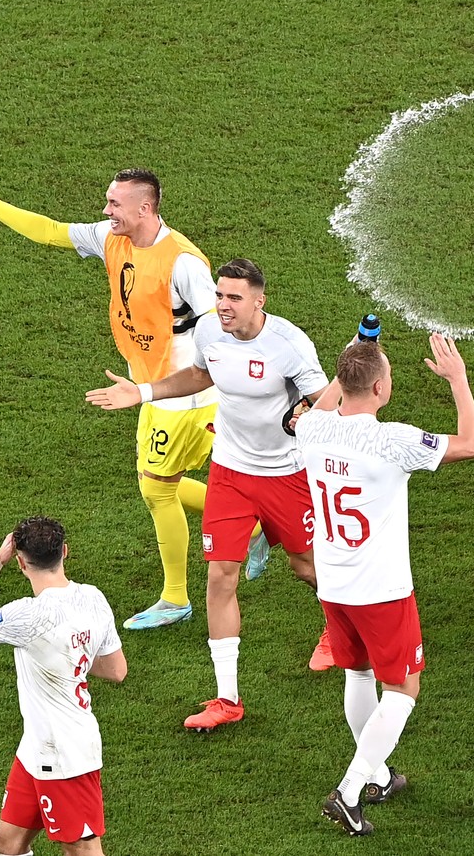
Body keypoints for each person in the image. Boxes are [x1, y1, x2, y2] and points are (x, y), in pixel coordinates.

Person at [0, 161, 267, 630]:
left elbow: (220, 323)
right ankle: (260, 523)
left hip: (178, 397)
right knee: (168, 481)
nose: (106, 210)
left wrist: (242, 376)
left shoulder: (182, 262)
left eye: (114, 204)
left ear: (146, 208)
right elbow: (52, 232)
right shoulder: (111, 237)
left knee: (158, 489)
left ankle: (177, 596)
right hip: (150, 390)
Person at [86, 259, 333, 731]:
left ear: (259, 301)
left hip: (287, 474)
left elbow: (322, 399)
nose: (223, 305)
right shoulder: (207, 332)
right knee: (220, 576)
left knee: (306, 567)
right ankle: (226, 699)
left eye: (234, 298)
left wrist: (308, 414)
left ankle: (342, 631)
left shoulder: (289, 344)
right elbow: (201, 376)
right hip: (230, 472)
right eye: (220, 295)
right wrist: (143, 393)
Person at [297, 337, 474, 836]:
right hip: (381, 589)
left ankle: (376, 776)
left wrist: (348, 362)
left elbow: (325, 402)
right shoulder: (393, 440)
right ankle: (351, 788)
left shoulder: (311, 428)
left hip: (333, 584)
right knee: (402, 687)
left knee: (357, 675)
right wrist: (458, 379)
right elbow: (473, 444)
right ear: (381, 387)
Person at [0, 516, 126, 856]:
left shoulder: (27, 616)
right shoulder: (93, 598)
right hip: (36, 748)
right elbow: (116, 670)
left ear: (20, 562)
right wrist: (71, 657)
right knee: (9, 842)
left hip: (65, 755)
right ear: (64, 551)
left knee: (83, 850)